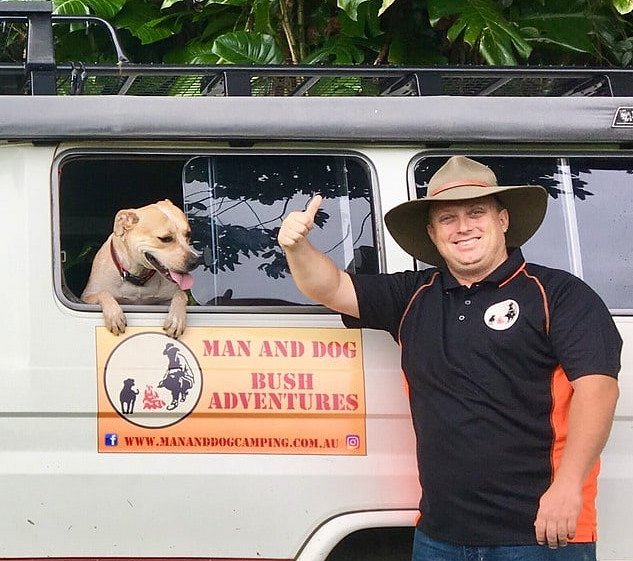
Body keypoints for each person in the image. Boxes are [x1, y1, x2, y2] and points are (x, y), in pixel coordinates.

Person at [277, 156, 622, 561]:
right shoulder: (413, 295)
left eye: (476, 212)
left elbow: (598, 390)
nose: (463, 227)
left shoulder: (559, 293)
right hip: (441, 534)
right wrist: (297, 247)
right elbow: (331, 287)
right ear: (432, 232)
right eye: (447, 218)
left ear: (503, 220)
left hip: (540, 532)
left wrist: (567, 487)